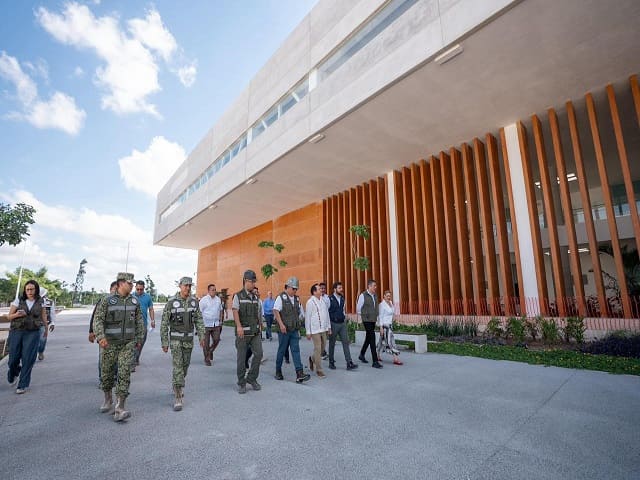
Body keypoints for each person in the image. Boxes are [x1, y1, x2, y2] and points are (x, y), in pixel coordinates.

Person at [93, 273, 144, 422]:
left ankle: (120, 407)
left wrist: (139, 338)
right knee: (107, 374)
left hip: (127, 344)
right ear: (121, 283)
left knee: (124, 374)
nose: (132, 286)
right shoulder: (107, 300)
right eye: (130, 283)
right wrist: (100, 337)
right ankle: (108, 398)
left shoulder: (134, 301)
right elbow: (98, 319)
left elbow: (139, 321)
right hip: (109, 344)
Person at [161, 277, 205, 411]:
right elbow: (164, 323)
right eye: (185, 285)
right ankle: (178, 396)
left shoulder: (194, 302)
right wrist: (164, 341)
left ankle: (177, 384)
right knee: (178, 366)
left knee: (185, 366)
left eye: (190, 286)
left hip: (188, 340)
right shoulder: (171, 302)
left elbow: (199, 320)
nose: (188, 288)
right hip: (175, 340)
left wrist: (202, 336)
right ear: (180, 286)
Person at [6, 280, 49, 394]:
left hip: (33, 332)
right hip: (17, 331)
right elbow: (9, 317)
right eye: (27, 289)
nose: (29, 291)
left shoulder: (41, 302)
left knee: (28, 358)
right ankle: (13, 373)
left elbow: (44, 316)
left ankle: (23, 384)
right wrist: (17, 314)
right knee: (13, 358)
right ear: (25, 290)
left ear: (36, 290)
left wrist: (46, 329)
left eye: (32, 289)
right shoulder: (18, 300)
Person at [273, 277, 310, 383]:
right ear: (288, 287)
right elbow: (276, 310)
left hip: (294, 330)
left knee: (296, 350)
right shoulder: (281, 297)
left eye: (296, 289)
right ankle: (278, 371)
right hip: (284, 330)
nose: (295, 291)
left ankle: (299, 373)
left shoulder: (297, 299)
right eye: (293, 288)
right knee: (282, 350)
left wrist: (303, 322)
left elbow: (301, 313)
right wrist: (281, 325)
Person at [232, 270, 263, 394]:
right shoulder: (238, 296)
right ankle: (241, 382)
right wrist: (239, 326)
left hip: (255, 332)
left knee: (259, 354)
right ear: (245, 281)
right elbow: (235, 311)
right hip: (243, 333)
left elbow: (258, 312)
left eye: (255, 281)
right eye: (252, 281)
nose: (254, 284)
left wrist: (260, 324)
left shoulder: (256, 297)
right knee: (241, 359)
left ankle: (251, 378)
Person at [89, 281, 117, 385]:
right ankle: (103, 380)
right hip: (104, 335)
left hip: (118, 337)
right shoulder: (103, 301)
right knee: (103, 358)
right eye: (115, 289)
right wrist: (92, 331)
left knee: (116, 359)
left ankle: (114, 378)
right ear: (110, 289)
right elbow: (95, 317)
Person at [328, 281, 358, 371]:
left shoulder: (342, 298)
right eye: (339, 288)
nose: (341, 289)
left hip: (342, 324)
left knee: (345, 342)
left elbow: (343, 310)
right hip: (333, 323)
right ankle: (331, 362)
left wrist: (345, 317)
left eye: (341, 288)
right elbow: (326, 313)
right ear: (335, 289)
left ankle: (349, 362)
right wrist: (328, 326)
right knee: (332, 343)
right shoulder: (329, 299)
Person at [305, 283, 331, 378]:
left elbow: (327, 314)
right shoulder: (310, 302)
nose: (321, 290)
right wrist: (308, 332)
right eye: (319, 289)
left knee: (322, 348)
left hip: (323, 328)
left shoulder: (323, 301)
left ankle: (312, 359)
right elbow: (307, 317)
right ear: (314, 292)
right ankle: (319, 370)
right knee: (318, 348)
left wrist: (329, 327)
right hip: (314, 329)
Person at [357, 279, 383, 369]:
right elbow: (358, 308)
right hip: (367, 320)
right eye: (374, 286)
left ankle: (362, 354)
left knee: (368, 338)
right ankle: (375, 361)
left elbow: (376, 308)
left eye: (376, 286)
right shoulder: (363, 295)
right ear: (369, 286)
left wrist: (378, 319)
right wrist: (365, 315)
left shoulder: (375, 295)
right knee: (372, 337)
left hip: (373, 320)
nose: (376, 287)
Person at [131, 280, 155, 371]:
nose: (139, 291)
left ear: (144, 288)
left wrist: (152, 320)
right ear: (135, 288)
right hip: (132, 325)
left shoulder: (148, 297)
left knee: (141, 342)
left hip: (143, 324)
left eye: (141, 289)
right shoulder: (131, 296)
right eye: (138, 289)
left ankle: (136, 357)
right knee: (133, 344)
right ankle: (132, 362)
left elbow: (151, 309)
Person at [199, 283, 223, 366]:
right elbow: (199, 312)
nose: (214, 291)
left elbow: (220, 310)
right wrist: (200, 324)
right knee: (206, 343)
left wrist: (220, 321)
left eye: (215, 290)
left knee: (217, 339)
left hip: (216, 324)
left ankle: (210, 351)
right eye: (212, 290)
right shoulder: (204, 300)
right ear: (208, 291)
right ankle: (207, 359)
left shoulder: (218, 299)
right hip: (205, 325)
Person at [377, 291, 403, 365]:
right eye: (387, 296)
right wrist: (381, 328)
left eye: (389, 296)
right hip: (385, 326)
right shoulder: (381, 305)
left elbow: (392, 313)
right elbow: (380, 317)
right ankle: (395, 358)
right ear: (384, 296)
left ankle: (377, 355)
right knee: (390, 342)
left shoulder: (391, 303)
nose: (389, 297)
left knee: (381, 341)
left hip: (390, 325)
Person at [37, 287, 56, 361]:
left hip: (44, 324)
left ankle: (41, 352)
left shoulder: (50, 302)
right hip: (32, 324)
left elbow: (52, 313)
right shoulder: (32, 301)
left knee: (42, 339)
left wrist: (53, 323)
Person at [319, 282, 330, 359]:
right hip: (318, 321)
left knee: (324, 338)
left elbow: (328, 308)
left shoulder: (327, 297)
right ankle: (322, 353)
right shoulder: (316, 297)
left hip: (325, 320)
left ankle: (323, 351)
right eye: (321, 288)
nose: (323, 290)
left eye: (324, 288)